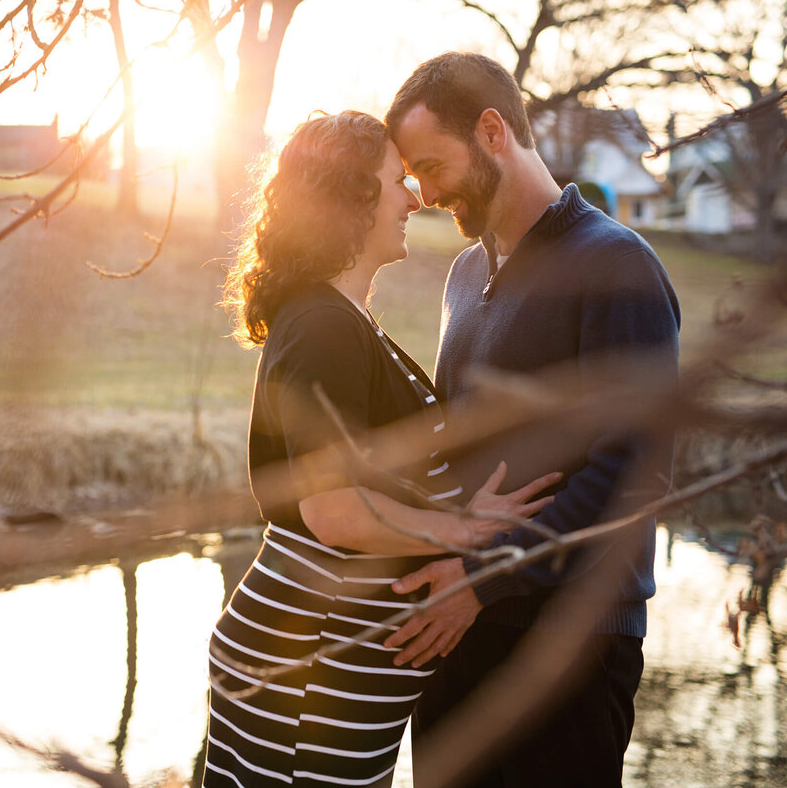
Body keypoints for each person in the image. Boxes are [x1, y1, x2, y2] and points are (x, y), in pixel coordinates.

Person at [201, 110, 562, 788]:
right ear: (349, 200)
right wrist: (458, 528)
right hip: (307, 666)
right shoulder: (323, 328)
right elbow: (332, 506)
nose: (414, 197)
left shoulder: (346, 322)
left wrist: (458, 507)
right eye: (396, 181)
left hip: (328, 665)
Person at [382, 53, 681, 787]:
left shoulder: (617, 265)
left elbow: (634, 474)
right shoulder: (463, 274)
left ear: (491, 131)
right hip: (460, 640)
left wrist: (480, 579)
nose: (421, 193)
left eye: (430, 165)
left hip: (566, 654)